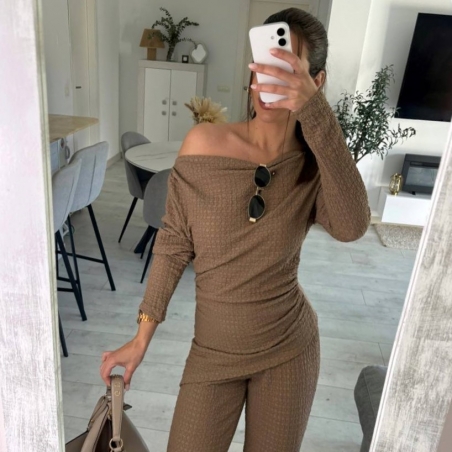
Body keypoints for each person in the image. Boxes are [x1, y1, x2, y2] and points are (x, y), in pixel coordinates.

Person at [100, 7, 370, 452]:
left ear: (315, 81)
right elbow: (173, 243)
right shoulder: (204, 144)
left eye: (287, 70)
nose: (268, 81)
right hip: (213, 352)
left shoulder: (312, 165)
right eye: (263, 65)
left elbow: (352, 227)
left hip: (289, 349)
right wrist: (142, 336)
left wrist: (316, 114)